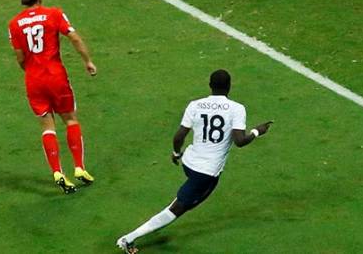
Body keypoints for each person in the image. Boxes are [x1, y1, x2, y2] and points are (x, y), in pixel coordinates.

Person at [116, 70, 273, 253]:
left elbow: (179, 136)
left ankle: (176, 208)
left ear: (210, 85)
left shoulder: (195, 105)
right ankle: (128, 239)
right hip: (206, 172)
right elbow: (240, 141)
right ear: (230, 86)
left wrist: (176, 153)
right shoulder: (237, 109)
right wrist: (257, 131)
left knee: (190, 202)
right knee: (177, 209)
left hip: (189, 162)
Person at [7, 0, 97, 193]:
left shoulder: (14, 24)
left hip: (33, 79)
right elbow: (73, 37)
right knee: (71, 119)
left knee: (47, 127)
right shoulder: (53, 14)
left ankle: (57, 172)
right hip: (56, 76)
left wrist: (31, 71)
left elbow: (20, 57)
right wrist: (88, 61)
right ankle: (79, 168)